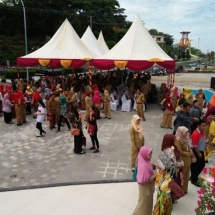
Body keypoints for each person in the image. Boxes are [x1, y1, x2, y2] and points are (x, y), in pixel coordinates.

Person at [152, 150, 185, 215]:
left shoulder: (170, 181)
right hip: (160, 198)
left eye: (160, 169)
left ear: (166, 170)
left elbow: (181, 193)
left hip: (165, 201)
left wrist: (172, 196)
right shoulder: (163, 175)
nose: (159, 170)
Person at [132, 146, 157, 215]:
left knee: (145, 205)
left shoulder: (143, 160)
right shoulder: (144, 166)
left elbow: (147, 169)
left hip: (145, 189)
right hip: (146, 189)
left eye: (151, 154)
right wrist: (156, 175)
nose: (151, 156)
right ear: (145, 154)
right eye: (149, 154)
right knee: (143, 206)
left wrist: (152, 166)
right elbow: (146, 180)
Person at [175, 126, 193, 193]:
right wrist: (189, 153)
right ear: (181, 132)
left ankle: (184, 189)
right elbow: (180, 151)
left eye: (187, 132)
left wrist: (190, 151)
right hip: (183, 161)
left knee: (186, 176)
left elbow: (189, 146)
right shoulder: (178, 140)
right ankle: (181, 190)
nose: (187, 133)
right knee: (183, 176)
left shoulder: (186, 138)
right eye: (186, 132)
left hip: (187, 161)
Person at [190, 120, 206, 187]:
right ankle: (194, 180)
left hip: (201, 151)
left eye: (205, 126)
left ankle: (194, 176)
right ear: (198, 126)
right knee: (196, 166)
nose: (204, 127)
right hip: (197, 152)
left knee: (201, 165)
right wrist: (199, 153)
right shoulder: (195, 134)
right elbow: (195, 146)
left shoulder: (203, 132)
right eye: (203, 126)